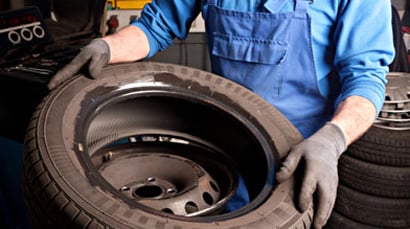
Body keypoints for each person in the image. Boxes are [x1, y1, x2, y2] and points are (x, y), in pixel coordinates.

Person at [47, 0, 395, 228]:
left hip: (303, 163)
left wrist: (332, 140)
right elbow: (157, 26)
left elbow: (366, 79)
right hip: (222, 155)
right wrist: (108, 46)